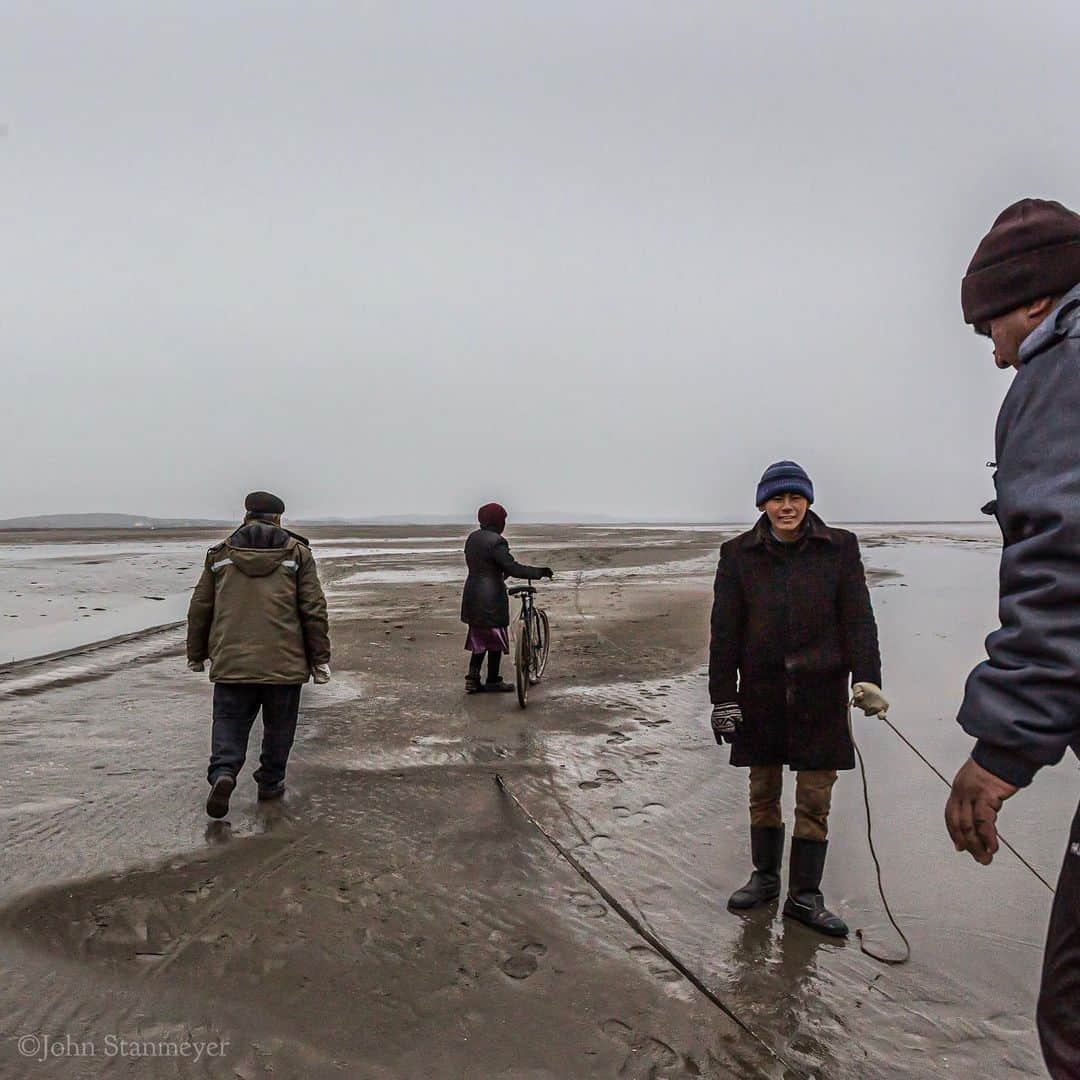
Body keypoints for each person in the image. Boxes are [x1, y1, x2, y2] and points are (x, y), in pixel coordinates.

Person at [945, 198, 1080, 1078]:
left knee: (1073, 1017)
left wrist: (1002, 750)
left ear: (1033, 303)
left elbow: (1063, 556)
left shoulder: (1064, 368)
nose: (992, 349)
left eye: (990, 323)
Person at [708, 461, 888, 936]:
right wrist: (723, 698)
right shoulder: (737, 554)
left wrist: (868, 679)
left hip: (821, 694)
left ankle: (805, 897)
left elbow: (858, 619)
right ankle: (765, 880)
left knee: (814, 798)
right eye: (777, 498)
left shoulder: (840, 548)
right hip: (761, 695)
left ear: (808, 500)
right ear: (762, 504)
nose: (787, 507)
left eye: (795, 498)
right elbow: (724, 633)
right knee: (762, 792)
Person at [186, 491, 331, 818]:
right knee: (280, 727)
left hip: (232, 661)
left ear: (245, 516)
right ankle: (270, 782)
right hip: (285, 662)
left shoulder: (219, 555)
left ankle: (224, 773)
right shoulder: (298, 555)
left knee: (229, 721)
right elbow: (313, 610)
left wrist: (196, 654)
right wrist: (320, 659)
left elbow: (200, 608)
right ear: (278, 518)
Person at [460, 503, 552, 693]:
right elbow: (512, 567)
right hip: (490, 596)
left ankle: (473, 678)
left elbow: (484, 564)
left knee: (479, 638)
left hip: (472, 593)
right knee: (495, 637)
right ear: (497, 521)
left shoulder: (472, 538)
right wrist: (539, 572)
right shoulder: (497, 541)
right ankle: (493, 680)